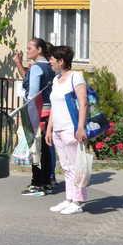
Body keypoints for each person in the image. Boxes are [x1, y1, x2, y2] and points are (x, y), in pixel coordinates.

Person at [46, 45, 89, 215]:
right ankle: (69, 198)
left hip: (71, 128)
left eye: (53, 60)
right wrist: (49, 129)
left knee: (76, 166)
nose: (50, 62)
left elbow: (83, 103)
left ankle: (78, 201)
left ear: (61, 61)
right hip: (57, 128)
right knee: (65, 166)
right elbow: (54, 107)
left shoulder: (76, 77)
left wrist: (80, 127)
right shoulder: (56, 80)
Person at [15, 38, 57, 196]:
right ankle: (47, 182)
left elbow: (32, 95)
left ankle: (37, 184)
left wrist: (28, 114)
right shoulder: (51, 66)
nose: (27, 51)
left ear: (39, 50)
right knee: (45, 148)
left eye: (30, 48)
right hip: (50, 112)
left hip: (37, 112)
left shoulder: (36, 68)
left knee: (36, 148)